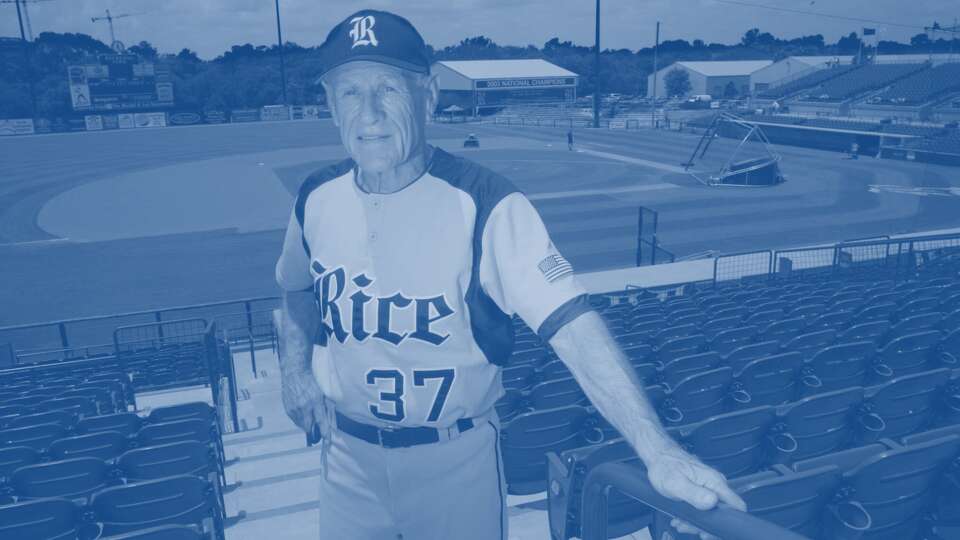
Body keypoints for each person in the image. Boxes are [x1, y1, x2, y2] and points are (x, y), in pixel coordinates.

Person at [274, 9, 744, 540]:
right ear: (331, 104)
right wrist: (295, 371)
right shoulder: (315, 198)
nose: (370, 113)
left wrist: (658, 450)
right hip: (346, 462)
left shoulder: (487, 203)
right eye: (350, 92)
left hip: (454, 463)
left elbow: (572, 324)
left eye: (388, 88)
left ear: (426, 96)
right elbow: (295, 287)